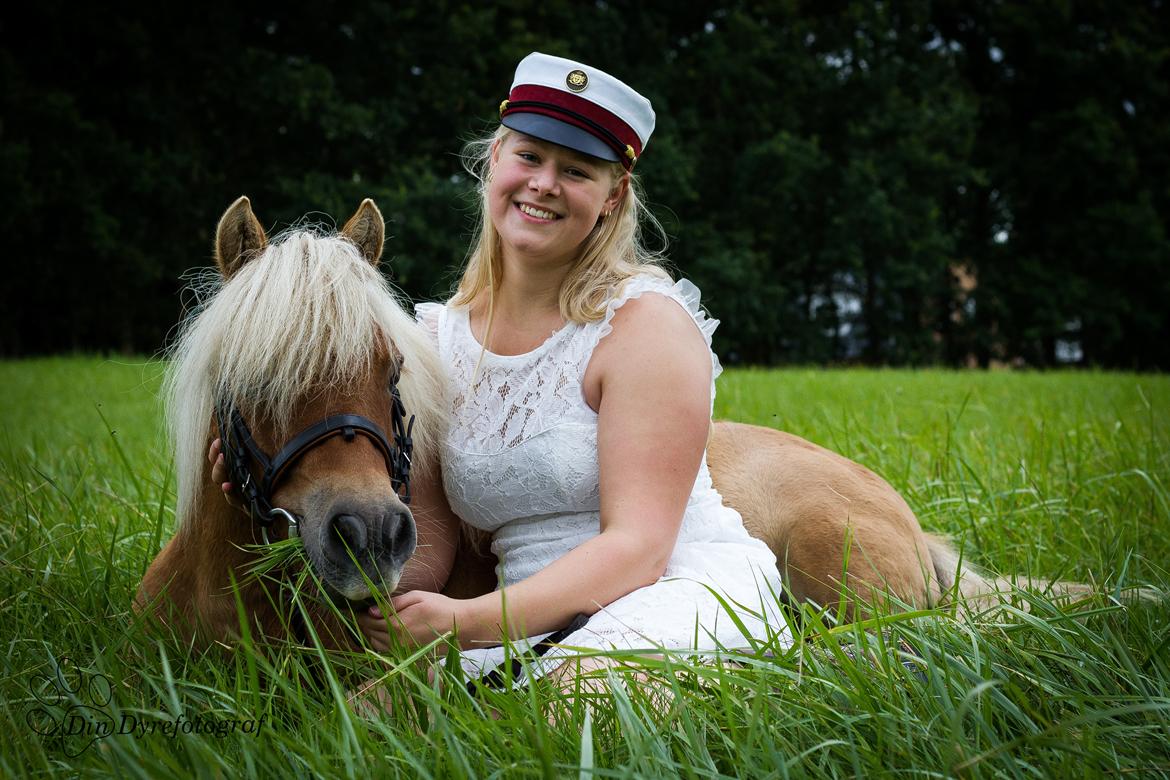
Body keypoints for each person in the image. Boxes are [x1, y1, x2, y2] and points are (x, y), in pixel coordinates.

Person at [214, 52, 789, 686]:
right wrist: (274, 487)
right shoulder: (433, 338)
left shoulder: (644, 325)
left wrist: (466, 623)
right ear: (494, 162)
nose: (544, 184)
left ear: (613, 195)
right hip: (523, 619)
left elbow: (640, 547)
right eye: (529, 157)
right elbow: (427, 555)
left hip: (671, 592)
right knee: (378, 720)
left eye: (576, 170)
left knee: (575, 707)